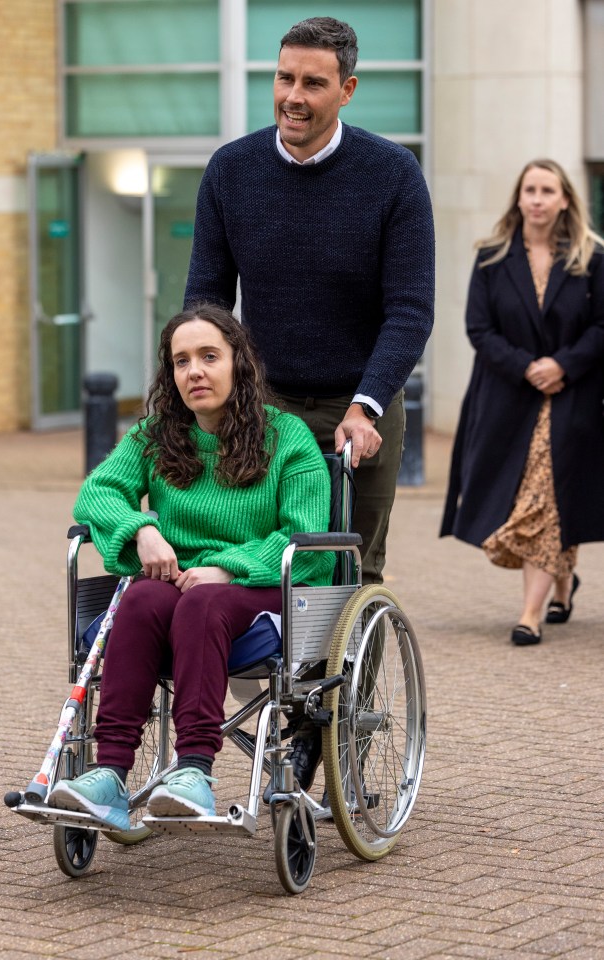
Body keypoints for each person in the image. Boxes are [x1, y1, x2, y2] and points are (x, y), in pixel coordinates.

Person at [184, 16, 435, 789]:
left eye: (313, 83)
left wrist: (367, 402)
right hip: (262, 407)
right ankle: (271, 719)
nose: (293, 96)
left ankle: (328, 744)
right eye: (285, 78)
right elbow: (204, 297)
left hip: (358, 406)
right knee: (255, 560)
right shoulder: (231, 172)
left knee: (345, 576)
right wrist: (203, 392)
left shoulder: (391, 176)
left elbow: (410, 309)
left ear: (346, 90)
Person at [48, 305, 334, 829]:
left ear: (238, 364)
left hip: (267, 589)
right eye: (181, 361)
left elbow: (305, 539)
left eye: (208, 356)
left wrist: (227, 567)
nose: (194, 371)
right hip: (181, 590)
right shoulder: (158, 436)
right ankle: (109, 773)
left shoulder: (287, 437)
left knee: (202, 600)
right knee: (139, 596)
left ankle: (194, 770)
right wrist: (143, 528)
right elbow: (98, 491)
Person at [441, 159, 604, 645]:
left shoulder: (590, 257)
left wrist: (563, 364)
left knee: (548, 493)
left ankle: (529, 615)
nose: (536, 198)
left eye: (546, 190)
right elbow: (478, 328)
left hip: (573, 398)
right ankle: (560, 581)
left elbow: (601, 326)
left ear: (565, 200)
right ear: (518, 198)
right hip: (508, 399)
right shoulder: (493, 256)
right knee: (537, 499)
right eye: (529, 189)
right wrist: (527, 366)